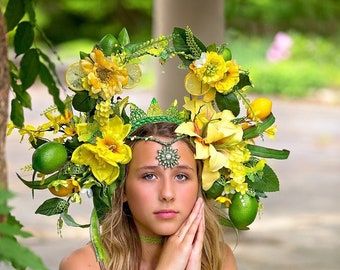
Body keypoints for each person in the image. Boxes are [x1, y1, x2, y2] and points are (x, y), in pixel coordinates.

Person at [59, 122, 237, 270]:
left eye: (181, 176)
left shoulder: (219, 259)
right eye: (149, 176)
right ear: (122, 190)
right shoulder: (83, 265)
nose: (167, 194)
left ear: (200, 185)